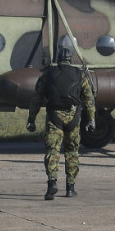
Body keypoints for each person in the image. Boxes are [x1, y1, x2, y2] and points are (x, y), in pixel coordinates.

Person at [26, 47, 95, 200]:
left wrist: (31, 119)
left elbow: (37, 97)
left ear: (58, 58)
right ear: (71, 59)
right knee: (72, 152)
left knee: (53, 151)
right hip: (74, 117)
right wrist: (91, 119)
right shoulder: (80, 74)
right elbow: (89, 99)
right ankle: (70, 188)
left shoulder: (48, 74)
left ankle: (52, 183)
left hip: (54, 116)